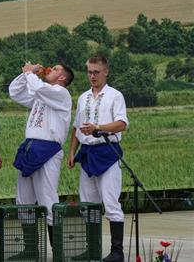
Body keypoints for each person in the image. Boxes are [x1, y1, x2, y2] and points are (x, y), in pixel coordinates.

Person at [8, 62, 74, 260]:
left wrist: (30, 73)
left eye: (54, 69)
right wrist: (25, 75)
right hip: (31, 147)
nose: (49, 70)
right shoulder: (41, 94)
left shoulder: (61, 94)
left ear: (62, 78)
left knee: (47, 198)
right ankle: (30, 249)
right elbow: (15, 92)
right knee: (23, 199)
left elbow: (37, 87)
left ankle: (58, 251)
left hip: (48, 149)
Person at [67, 55, 128, 262]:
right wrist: (71, 152)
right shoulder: (83, 97)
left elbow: (121, 124)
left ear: (106, 72)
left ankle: (117, 252)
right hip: (87, 152)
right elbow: (77, 127)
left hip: (107, 151)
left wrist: (99, 128)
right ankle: (91, 248)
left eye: (96, 72)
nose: (92, 76)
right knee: (88, 204)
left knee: (110, 202)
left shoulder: (115, 95)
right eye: (89, 72)